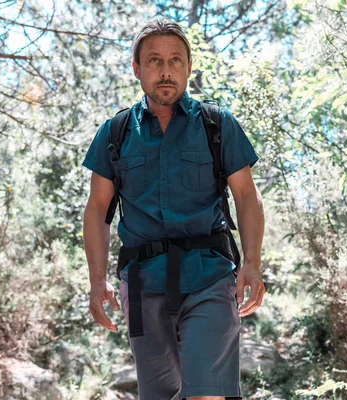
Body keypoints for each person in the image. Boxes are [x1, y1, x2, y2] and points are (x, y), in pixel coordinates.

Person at [82, 17, 265, 400]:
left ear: (189, 67)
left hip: (210, 279)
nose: (166, 71)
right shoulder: (114, 133)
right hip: (143, 285)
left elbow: (246, 195)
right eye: (154, 61)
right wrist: (97, 280)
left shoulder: (217, 125)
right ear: (136, 68)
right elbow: (98, 209)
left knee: (205, 394)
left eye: (176, 60)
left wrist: (252, 262)